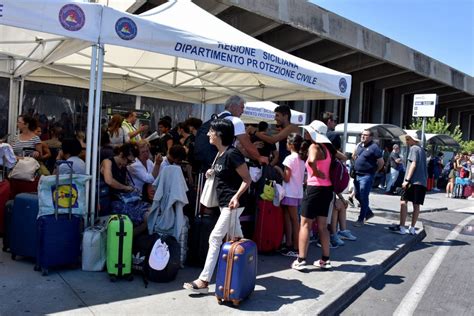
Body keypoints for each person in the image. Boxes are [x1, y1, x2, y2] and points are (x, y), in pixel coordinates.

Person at [183, 119, 251, 294]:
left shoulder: (232, 154)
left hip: (232, 204)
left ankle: (204, 280)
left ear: (219, 134)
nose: (208, 134)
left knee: (214, 239)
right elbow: (224, 174)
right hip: (224, 203)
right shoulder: (220, 154)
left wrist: (236, 197)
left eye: (211, 131)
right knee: (238, 238)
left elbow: (247, 179)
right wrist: (211, 172)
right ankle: (246, 273)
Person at [291, 120, 346, 271]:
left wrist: (315, 171)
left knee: (305, 225)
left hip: (314, 189)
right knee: (323, 226)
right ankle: (325, 260)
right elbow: (344, 158)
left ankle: (301, 259)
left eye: (308, 131)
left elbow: (313, 161)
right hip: (327, 190)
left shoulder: (314, 146)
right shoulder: (329, 149)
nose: (306, 133)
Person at [388, 135, 427, 235]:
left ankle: (402, 227)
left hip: (412, 181)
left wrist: (406, 180)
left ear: (413, 140)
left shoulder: (413, 148)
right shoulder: (422, 150)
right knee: (416, 205)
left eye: (408, 139)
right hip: (421, 182)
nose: (406, 141)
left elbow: (413, 164)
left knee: (403, 202)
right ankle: (412, 228)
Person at [275, 133, 305, 257]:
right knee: (290, 218)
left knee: (293, 220)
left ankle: (295, 247)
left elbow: (286, 178)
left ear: (291, 144)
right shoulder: (302, 158)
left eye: (287, 141)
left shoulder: (289, 158)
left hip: (289, 192)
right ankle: (289, 245)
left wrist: (278, 170)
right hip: (297, 192)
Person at [218, 95, 268, 166]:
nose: (243, 111)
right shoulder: (235, 121)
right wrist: (259, 157)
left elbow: (240, 148)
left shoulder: (218, 117)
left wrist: (255, 158)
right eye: (241, 108)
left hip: (211, 162)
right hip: (223, 163)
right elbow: (247, 144)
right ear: (233, 106)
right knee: (246, 177)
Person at [352, 129, 384, 227]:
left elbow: (381, 162)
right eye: (362, 134)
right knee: (357, 195)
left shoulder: (374, 147)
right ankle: (368, 212)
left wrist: (375, 171)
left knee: (364, 197)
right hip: (357, 175)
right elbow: (354, 156)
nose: (363, 136)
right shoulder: (359, 145)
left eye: (365, 135)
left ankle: (361, 219)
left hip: (366, 176)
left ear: (370, 137)